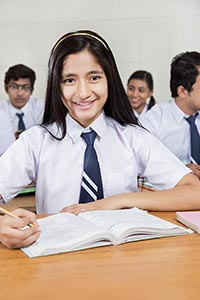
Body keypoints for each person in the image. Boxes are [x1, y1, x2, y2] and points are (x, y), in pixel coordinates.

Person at [0, 30, 200, 249]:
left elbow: (195, 192)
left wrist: (119, 200)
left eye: (94, 78)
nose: (83, 93)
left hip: (121, 261)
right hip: (56, 262)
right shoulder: (37, 141)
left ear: (109, 80)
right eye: (69, 80)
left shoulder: (133, 137)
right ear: (56, 86)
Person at [140, 51, 200, 179]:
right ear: (182, 91)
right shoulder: (153, 121)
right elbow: (139, 164)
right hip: (174, 192)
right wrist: (179, 170)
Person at [0, 64, 44, 142]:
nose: (20, 93)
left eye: (25, 88)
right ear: (6, 88)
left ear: (32, 90)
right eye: (14, 87)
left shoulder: (42, 108)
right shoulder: (1, 110)